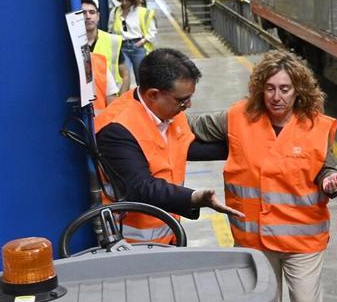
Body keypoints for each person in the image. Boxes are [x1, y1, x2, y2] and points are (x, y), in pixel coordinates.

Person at [189, 51, 337, 302]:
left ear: (298, 90)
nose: (277, 96)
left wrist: (330, 180)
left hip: (303, 240)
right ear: (261, 89)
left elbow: (327, 165)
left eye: (285, 89)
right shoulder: (237, 118)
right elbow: (188, 127)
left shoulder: (316, 125)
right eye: (270, 88)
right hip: (253, 240)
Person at [94, 48, 240, 243]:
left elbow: (185, 147)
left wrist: (244, 146)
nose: (188, 105)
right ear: (154, 94)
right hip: (133, 245)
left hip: (168, 233)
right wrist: (195, 198)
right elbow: (142, 187)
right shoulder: (116, 129)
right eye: (182, 100)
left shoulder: (168, 113)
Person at [79, 0, 122, 111]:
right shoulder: (72, 46)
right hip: (85, 107)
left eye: (92, 12)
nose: (88, 16)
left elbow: (125, 73)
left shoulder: (113, 41)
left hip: (110, 104)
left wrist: (120, 101)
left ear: (98, 16)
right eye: (83, 13)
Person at [110, 0, 158, 85]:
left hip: (137, 47)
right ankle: (125, 100)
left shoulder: (143, 12)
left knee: (141, 78)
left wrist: (141, 42)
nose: (124, 2)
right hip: (121, 47)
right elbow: (110, 29)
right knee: (123, 79)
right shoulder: (115, 12)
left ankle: (141, 100)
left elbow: (152, 31)